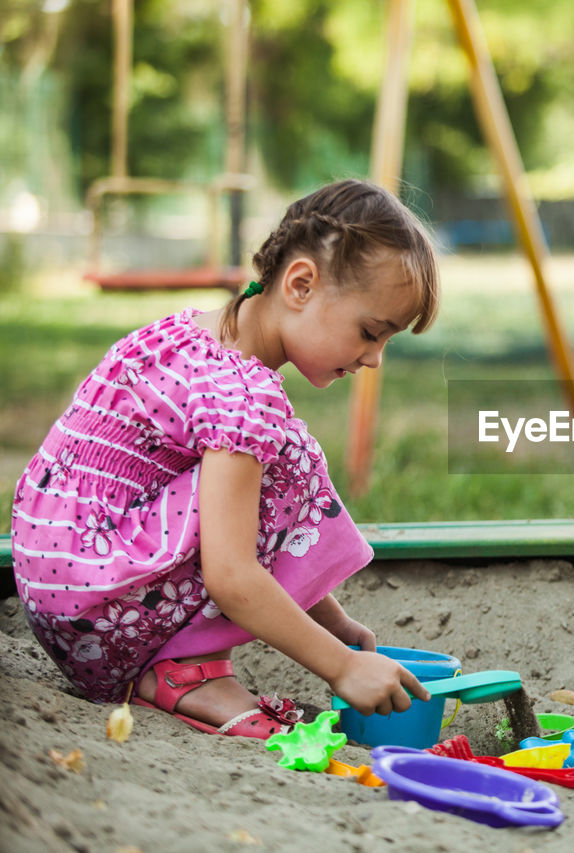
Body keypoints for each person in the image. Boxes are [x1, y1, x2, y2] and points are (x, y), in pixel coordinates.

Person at [11, 179, 438, 739]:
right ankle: (184, 671)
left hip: (56, 585)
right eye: (369, 332)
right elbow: (232, 575)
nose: (375, 359)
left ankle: (168, 659)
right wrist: (343, 666)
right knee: (288, 463)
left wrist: (331, 624)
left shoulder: (185, 336)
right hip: (103, 617)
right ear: (301, 285)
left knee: (270, 460)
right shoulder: (244, 399)